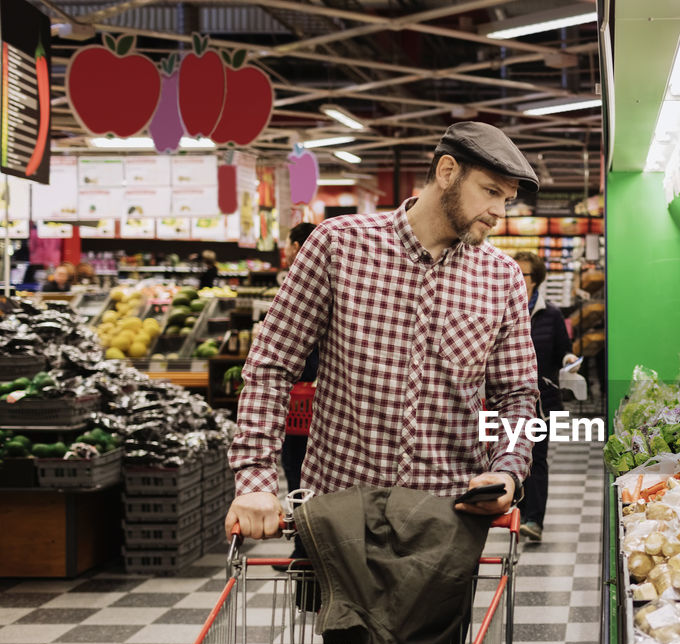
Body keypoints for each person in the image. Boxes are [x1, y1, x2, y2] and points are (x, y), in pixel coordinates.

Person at [225, 121, 540, 539]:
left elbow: (516, 395)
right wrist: (255, 480)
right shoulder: (338, 246)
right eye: (490, 191)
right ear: (447, 172)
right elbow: (271, 366)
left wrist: (507, 470)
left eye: (508, 200)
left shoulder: (502, 278)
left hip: (445, 521)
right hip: (337, 516)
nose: (500, 212)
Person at [513, 251, 572, 542]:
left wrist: (570, 359)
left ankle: (534, 520)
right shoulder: (504, 307)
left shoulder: (551, 314)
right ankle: (517, 513)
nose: (516, 277)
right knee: (511, 455)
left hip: (541, 401)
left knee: (536, 457)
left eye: (521, 273)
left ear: (535, 280)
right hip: (507, 399)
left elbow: (563, 350)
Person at [278, 222, 319, 498]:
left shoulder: (299, 283)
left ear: (295, 247)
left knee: (297, 465)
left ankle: (305, 538)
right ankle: (308, 536)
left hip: (304, 394)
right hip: (317, 398)